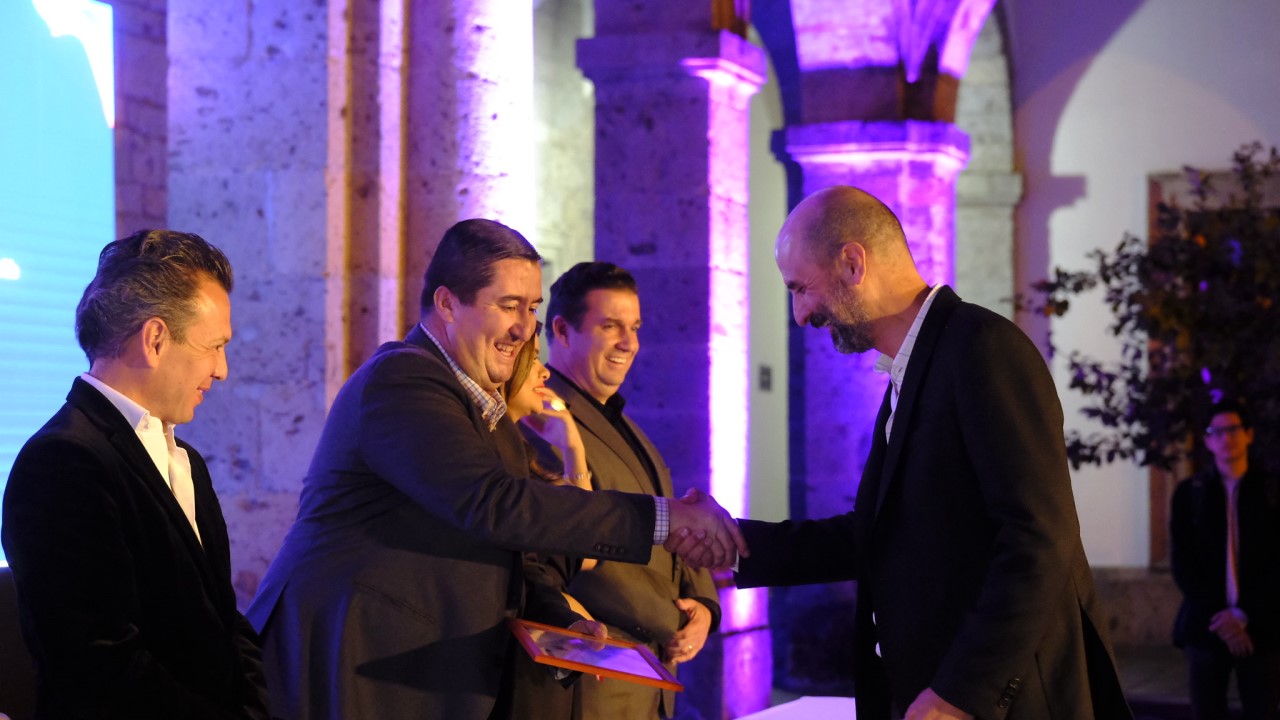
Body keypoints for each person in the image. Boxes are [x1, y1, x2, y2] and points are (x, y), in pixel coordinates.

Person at [245, 219, 745, 720]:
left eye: (532, 307)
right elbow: (493, 504)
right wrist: (663, 519)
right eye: (509, 305)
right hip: (350, 659)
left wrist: (558, 617)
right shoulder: (402, 378)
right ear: (447, 304)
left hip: (414, 668)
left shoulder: (488, 412)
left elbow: (507, 551)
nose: (525, 329)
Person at [674, 186, 1131, 719]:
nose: (800, 315)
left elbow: (1038, 539)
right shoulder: (912, 369)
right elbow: (877, 534)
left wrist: (961, 693)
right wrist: (736, 542)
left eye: (801, 289)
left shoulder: (982, 347)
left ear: (852, 263)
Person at [1, 230, 270, 718]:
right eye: (214, 346)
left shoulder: (186, 459)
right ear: (155, 339)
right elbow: (99, 665)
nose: (222, 369)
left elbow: (223, 620)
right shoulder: (61, 461)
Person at [522, 261, 720, 720]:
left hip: (648, 679)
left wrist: (704, 606)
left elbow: (668, 528)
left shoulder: (627, 426)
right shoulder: (543, 423)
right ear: (562, 330)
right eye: (610, 326)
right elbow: (570, 546)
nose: (629, 343)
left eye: (634, 327)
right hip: (596, 678)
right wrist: (669, 619)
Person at [1171, 400, 1280, 720]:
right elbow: (1183, 565)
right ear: (1207, 441)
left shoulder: (1272, 491)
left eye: (1233, 429)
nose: (1226, 438)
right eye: (1216, 432)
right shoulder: (1190, 493)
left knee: (1262, 710)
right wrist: (1225, 620)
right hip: (1207, 626)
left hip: (1261, 627)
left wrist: (1244, 615)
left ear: (1248, 435)